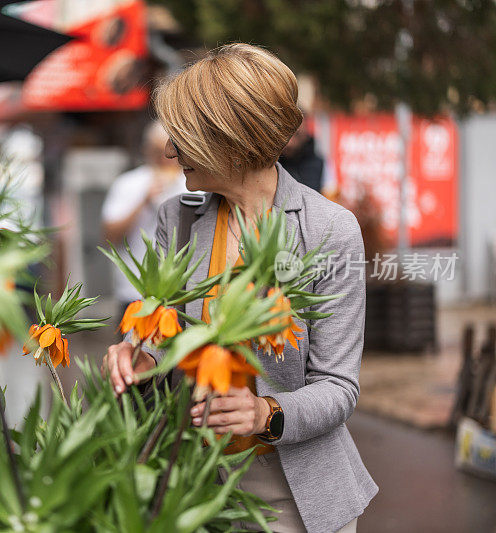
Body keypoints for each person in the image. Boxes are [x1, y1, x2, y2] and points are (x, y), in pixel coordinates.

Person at [102, 44, 377, 533]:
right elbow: (160, 336)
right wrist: (137, 356)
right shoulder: (178, 219)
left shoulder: (329, 229)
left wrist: (262, 412)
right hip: (193, 483)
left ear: (233, 139)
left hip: (294, 496)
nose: (170, 151)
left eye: (183, 136)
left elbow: (338, 387)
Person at [101, 121, 187, 314]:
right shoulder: (129, 183)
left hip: (181, 291)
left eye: (171, 150)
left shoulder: (191, 182)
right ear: (147, 150)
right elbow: (109, 236)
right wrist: (143, 202)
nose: (165, 159)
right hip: (134, 292)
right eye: (158, 152)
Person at [279, 120, 325, 193]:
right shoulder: (271, 164)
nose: (290, 143)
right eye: (285, 135)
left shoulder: (320, 163)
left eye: (296, 135)